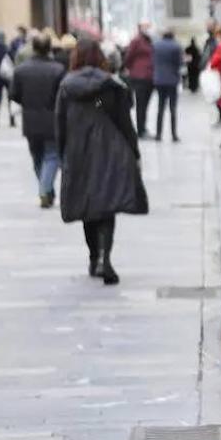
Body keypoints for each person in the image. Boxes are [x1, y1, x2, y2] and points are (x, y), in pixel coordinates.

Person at [56, 38, 148, 285]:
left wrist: (61, 152)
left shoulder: (66, 86)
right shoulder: (110, 86)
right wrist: (135, 151)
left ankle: (93, 256)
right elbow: (124, 122)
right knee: (107, 204)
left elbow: (60, 122)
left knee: (88, 206)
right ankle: (104, 258)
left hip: (78, 151)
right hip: (109, 149)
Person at [10, 33, 66, 208]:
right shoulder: (58, 70)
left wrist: (28, 102)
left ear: (33, 48)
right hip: (52, 119)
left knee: (37, 157)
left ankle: (46, 190)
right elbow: (63, 96)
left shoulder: (20, 70)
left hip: (30, 120)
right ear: (49, 48)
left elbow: (14, 95)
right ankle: (45, 190)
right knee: (52, 155)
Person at [123, 21, 155, 138]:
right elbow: (128, 56)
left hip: (150, 77)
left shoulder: (149, 41)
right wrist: (131, 69)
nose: (148, 28)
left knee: (145, 104)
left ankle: (143, 128)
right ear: (140, 28)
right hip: (139, 77)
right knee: (141, 104)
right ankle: (140, 130)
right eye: (145, 26)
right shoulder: (136, 41)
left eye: (149, 26)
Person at [152, 28, 183, 142]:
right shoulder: (176, 46)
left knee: (160, 108)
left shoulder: (155, 45)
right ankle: (174, 134)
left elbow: (153, 61)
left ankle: (158, 134)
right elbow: (179, 63)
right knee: (172, 108)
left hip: (159, 80)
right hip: (172, 80)